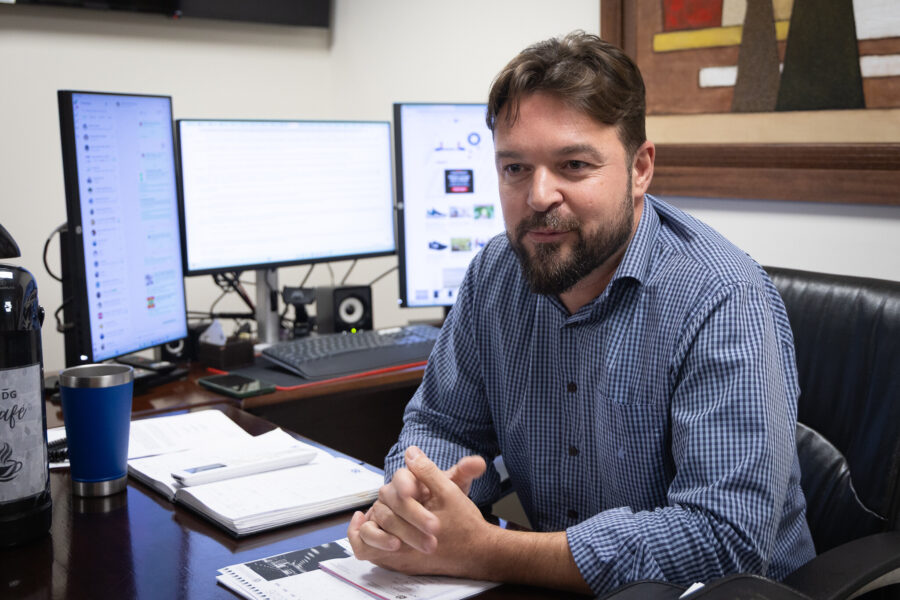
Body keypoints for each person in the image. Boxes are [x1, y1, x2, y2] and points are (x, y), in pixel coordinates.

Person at [347, 31, 815, 595]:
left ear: (640, 169)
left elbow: (723, 539)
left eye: (572, 165)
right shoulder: (496, 273)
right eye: (515, 168)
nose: (539, 195)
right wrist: (418, 505)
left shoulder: (721, 297)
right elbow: (444, 425)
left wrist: (489, 551)